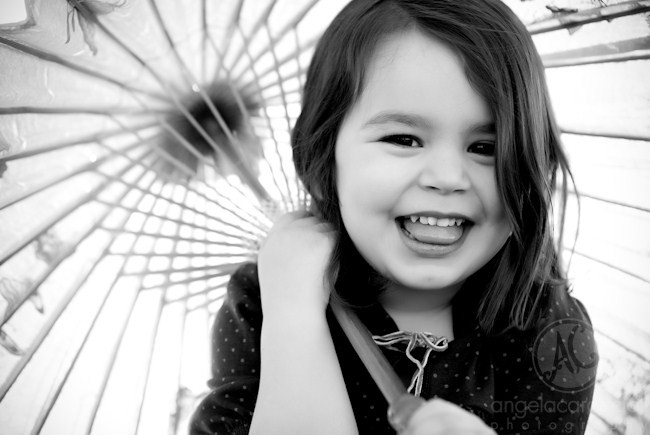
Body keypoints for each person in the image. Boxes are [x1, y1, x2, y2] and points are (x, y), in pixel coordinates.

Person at [190, 0, 598, 433]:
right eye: (403, 138)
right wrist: (294, 316)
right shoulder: (265, 297)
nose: (447, 178)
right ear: (326, 154)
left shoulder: (549, 332)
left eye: (486, 148)